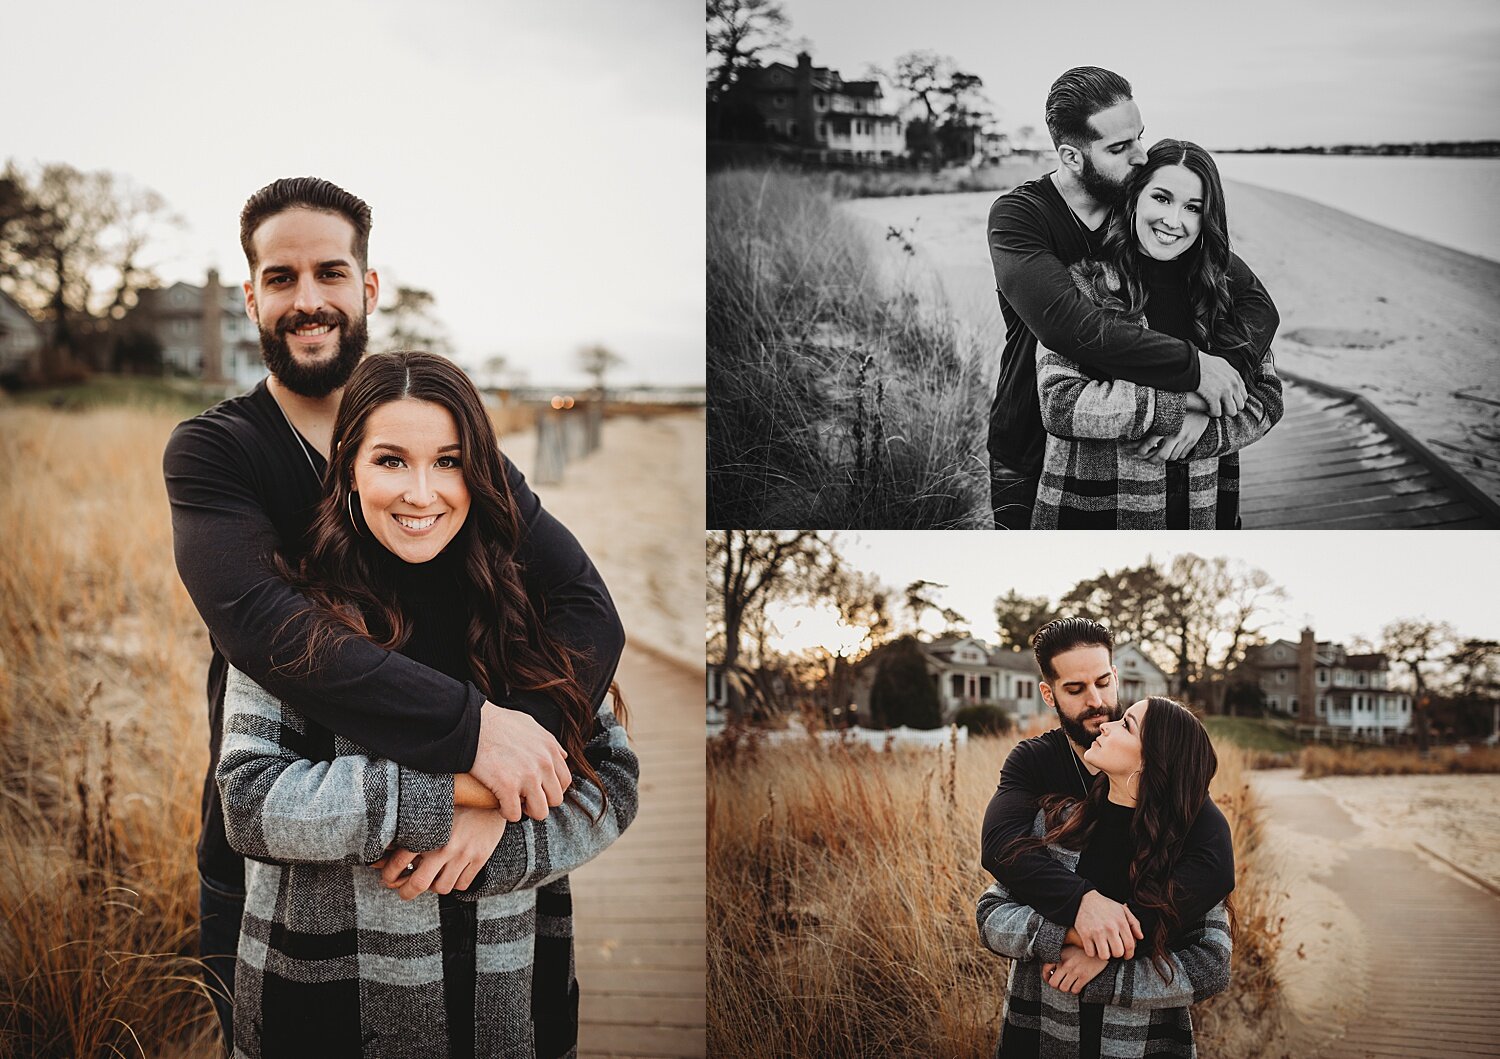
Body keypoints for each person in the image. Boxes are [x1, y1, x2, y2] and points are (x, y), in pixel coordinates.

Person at [163, 177, 625, 1054]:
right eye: (283, 277)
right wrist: (479, 747)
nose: (309, 301)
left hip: (494, 914)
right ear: (252, 293)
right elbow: (271, 629)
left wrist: (513, 774)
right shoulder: (217, 451)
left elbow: (585, 608)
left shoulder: (435, 431)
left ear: (367, 288)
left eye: (331, 273)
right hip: (284, 869)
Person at [216, 350, 638, 1057]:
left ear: (481, 471)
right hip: (323, 995)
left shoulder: (524, 602)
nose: (421, 492)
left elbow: (613, 784)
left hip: (512, 997)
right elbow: (249, 798)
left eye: (447, 461)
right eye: (390, 460)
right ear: (349, 464)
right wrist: (454, 795)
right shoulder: (298, 605)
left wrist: (497, 834)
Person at [986, 67, 1274, 528]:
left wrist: (1219, 392)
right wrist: (1197, 373)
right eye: (1120, 148)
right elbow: (1070, 326)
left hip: (1146, 457)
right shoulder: (1021, 217)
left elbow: (1256, 302)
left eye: (1139, 137)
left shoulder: (1139, 203)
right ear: (1073, 156)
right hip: (1030, 445)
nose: (1140, 156)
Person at [978, 620, 1234, 1017]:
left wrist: (1116, 945)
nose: (1096, 701)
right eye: (1076, 689)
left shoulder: (1164, 770)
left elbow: (1215, 863)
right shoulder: (1034, 763)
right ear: (1049, 694)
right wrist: (1082, 907)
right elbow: (1001, 848)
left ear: (1115, 675)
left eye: (1102, 682)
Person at [1031, 139, 1283, 528]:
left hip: (1204, 503)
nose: (1173, 220)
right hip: (1097, 505)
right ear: (1134, 198)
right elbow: (1060, 404)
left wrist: (1205, 427)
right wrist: (1187, 403)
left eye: (1193, 208)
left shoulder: (1220, 291)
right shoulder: (1085, 283)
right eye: (1162, 198)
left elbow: (1266, 397)